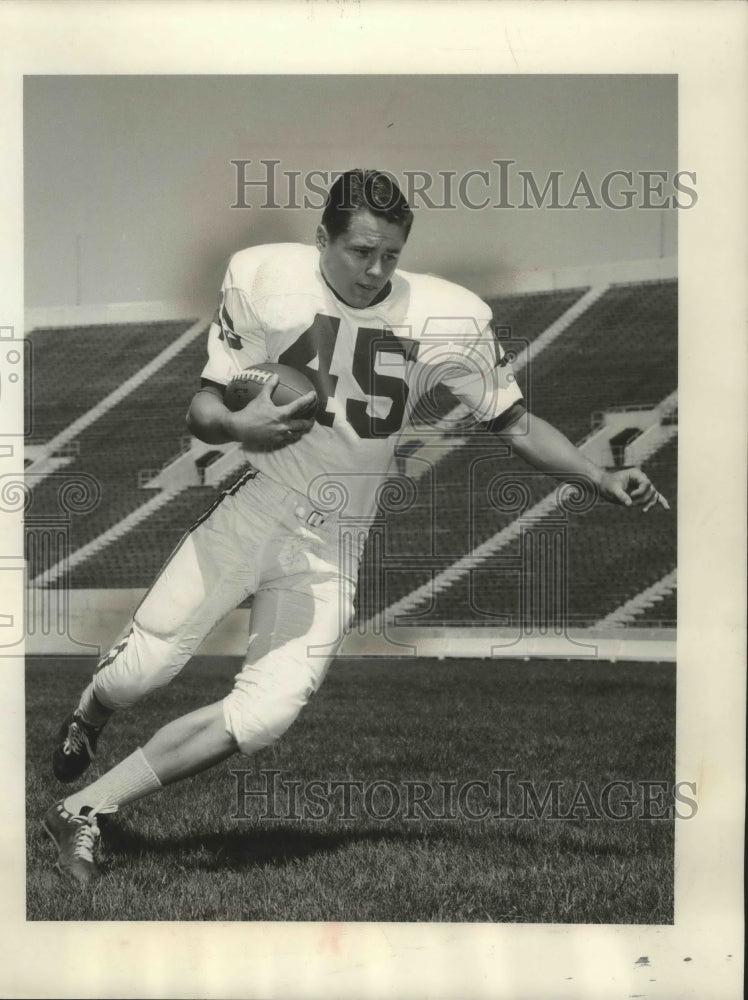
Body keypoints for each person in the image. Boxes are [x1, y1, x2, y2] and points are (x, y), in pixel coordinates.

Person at [42, 169, 669, 885]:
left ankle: (84, 809)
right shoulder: (267, 279)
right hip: (261, 507)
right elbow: (203, 409)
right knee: (142, 668)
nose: (376, 270)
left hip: (337, 540)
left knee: (268, 712)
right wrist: (239, 424)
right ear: (322, 239)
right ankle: (90, 712)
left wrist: (598, 474)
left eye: (391, 255)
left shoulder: (446, 318)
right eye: (361, 251)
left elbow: (517, 423)